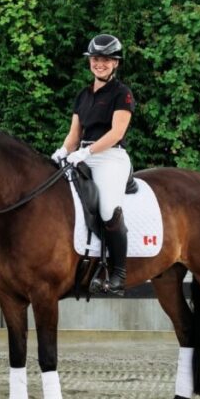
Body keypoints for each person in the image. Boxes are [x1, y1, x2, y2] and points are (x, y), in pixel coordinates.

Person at [51, 34, 136, 295]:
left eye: (106, 60)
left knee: (109, 208)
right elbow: (74, 134)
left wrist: (86, 153)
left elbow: (116, 133)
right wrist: (63, 151)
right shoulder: (83, 95)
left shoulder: (122, 94)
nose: (100, 64)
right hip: (83, 154)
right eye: (96, 59)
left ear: (115, 64)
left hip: (110, 157)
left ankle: (119, 273)